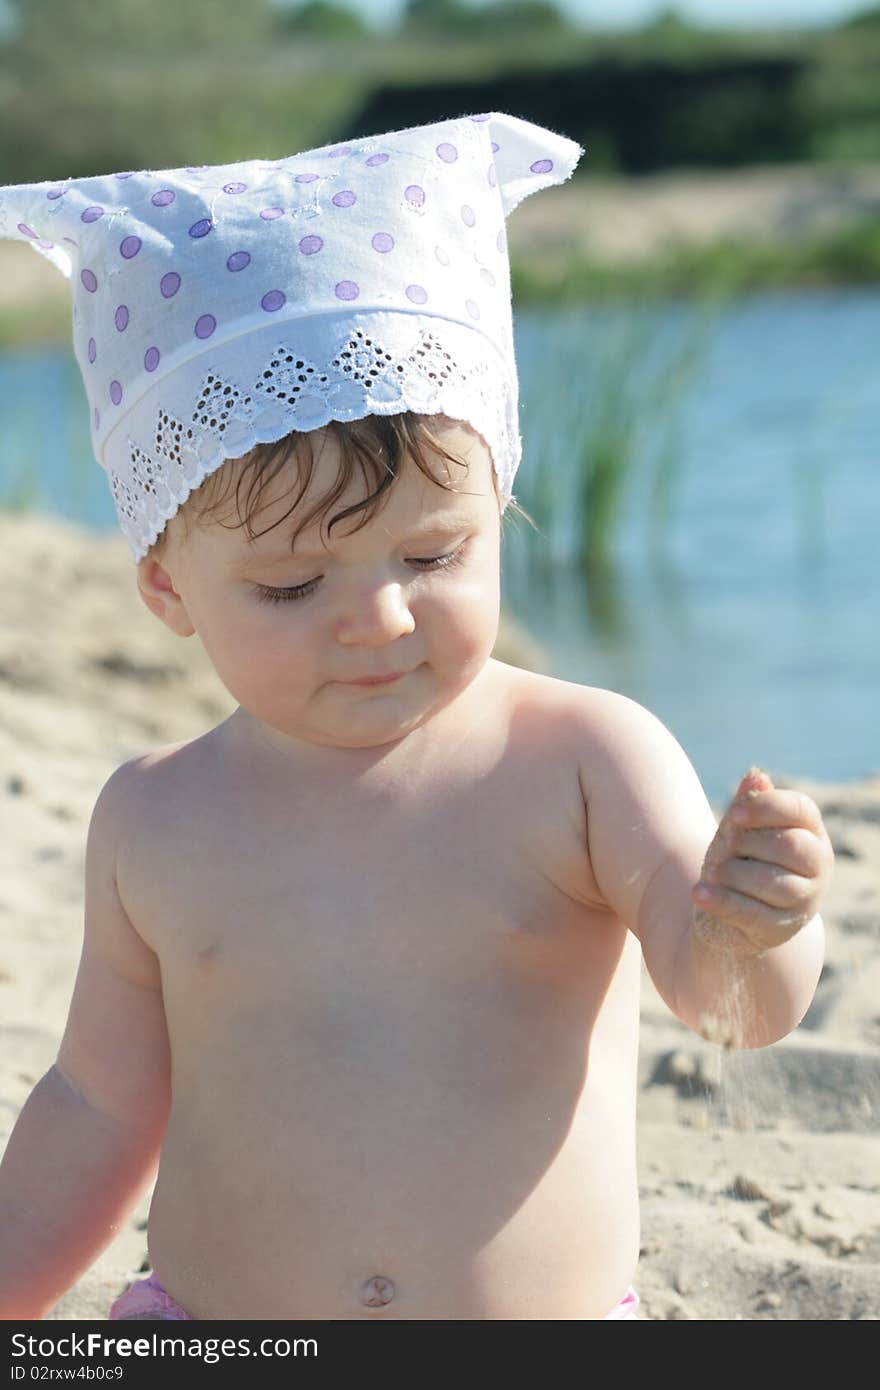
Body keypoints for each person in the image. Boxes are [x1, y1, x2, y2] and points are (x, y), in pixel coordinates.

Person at [0, 113, 832, 1321]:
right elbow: (98, 1099)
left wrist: (757, 923)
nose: (382, 619)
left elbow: (727, 1009)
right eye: (292, 586)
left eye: (435, 553)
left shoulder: (580, 758)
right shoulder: (155, 813)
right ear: (169, 589)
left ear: (498, 503)